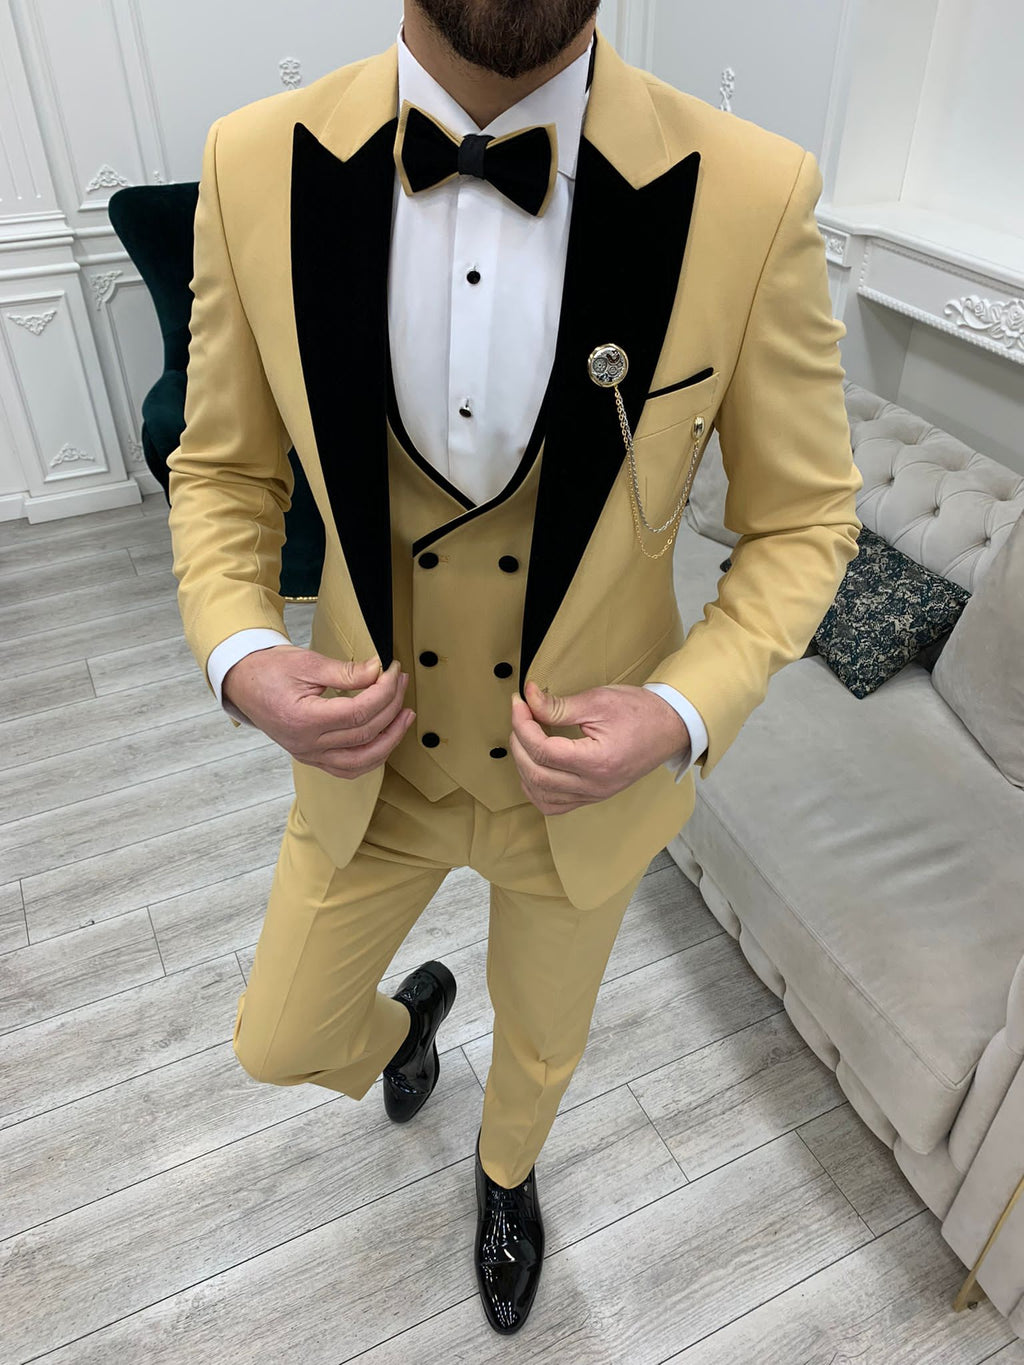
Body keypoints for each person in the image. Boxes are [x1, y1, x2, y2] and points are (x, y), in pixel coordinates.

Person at [166, 0, 863, 1335]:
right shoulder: (250, 162)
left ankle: (505, 1173)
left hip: (583, 786)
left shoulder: (754, 189)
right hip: (374, 767)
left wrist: (680, 708)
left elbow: (806, 520)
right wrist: (242, 651)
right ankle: (406, 1034)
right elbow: (221, 470)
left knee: (543, 1042)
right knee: (278, 1038)